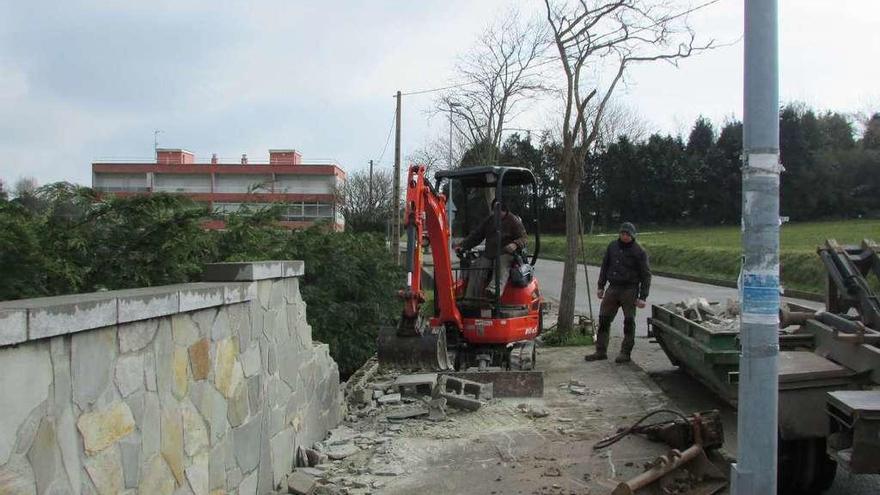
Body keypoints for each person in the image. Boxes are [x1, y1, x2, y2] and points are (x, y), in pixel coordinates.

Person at [585, 222, 651, 363]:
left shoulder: (639, 251)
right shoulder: (612, 247)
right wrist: (600, 286)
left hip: (630, 289)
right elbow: (605, 266)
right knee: (604, 319)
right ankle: (600, 351)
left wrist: (642, 297)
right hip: (613, 288)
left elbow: (646, 275)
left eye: (628, 234)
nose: (625, 236)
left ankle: (625, 353)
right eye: (622, 234)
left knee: (629, 321)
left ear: (633, 236)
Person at [454, 199, 528, 300]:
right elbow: (477, 235)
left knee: (501, 263)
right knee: (478, 265)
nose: (495, 214)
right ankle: (471, 297)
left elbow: (524, 238)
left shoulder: (513, 221)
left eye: (498, 212)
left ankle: (493, 291)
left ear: (504, 211)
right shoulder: (490, 220)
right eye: (494, 211)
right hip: (490, 253)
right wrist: (463, 245)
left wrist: (515, 244)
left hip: (506, 253)